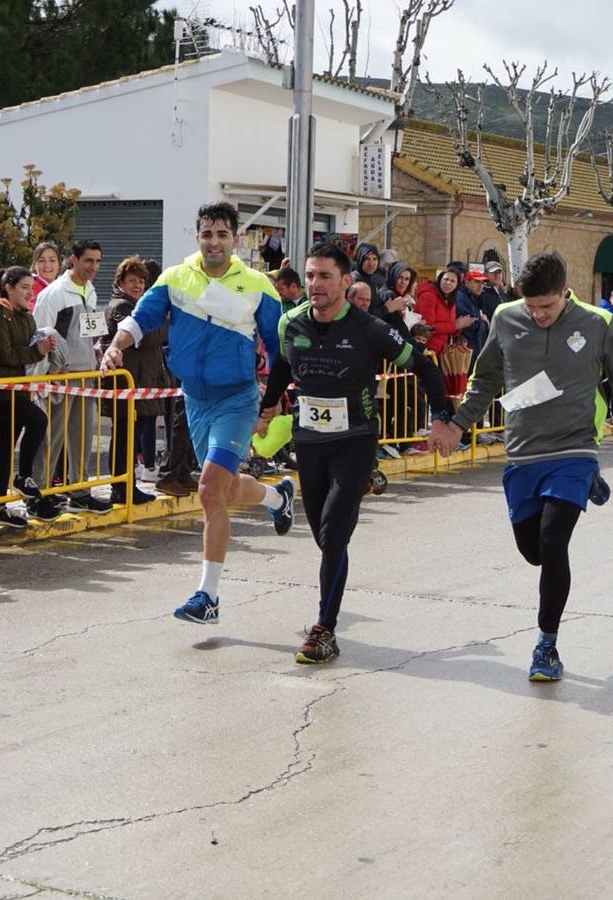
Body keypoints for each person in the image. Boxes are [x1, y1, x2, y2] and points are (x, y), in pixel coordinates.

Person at [428, 251, 613, 681]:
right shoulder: (504, 317)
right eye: (531, 306)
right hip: (523, 453)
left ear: (565, 292)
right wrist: (457, 426)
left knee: (554, 542)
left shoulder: (596, 322)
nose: (538, 314)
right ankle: (586, 485)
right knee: (534, 551)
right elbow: (484, 380)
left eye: (548, 306)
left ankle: (546, 645)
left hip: (574, 449)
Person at [100, 201, 293, 625]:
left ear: (237, 239)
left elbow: (279, 346)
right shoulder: (174, 279)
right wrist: (117, 345)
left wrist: (273, 400)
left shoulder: (258, 285)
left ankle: (207, 596)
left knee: (208, 490)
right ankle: (277, 496)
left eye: (223, 234)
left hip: (237, 399)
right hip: (194, 398)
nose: (215, 242)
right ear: (198, 237)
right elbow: (139, 319)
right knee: (220, 490)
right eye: (208, 234)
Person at [257, 242, 450, 662]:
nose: (315, 284)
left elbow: (425, 365)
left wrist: (440, 416)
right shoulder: (290, 323)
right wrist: (267, 410)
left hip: (355, 440)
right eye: (309, 275)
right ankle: (358, 487)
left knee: (333, 535)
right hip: (309, 442)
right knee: (323, 536)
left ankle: (324, 630)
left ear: (346, 282)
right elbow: (283, 368)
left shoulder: (370, 329)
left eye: (325, 276)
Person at [30, 239, 114, 517]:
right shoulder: (53, 294)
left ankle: (79, 492)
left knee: (82, 437)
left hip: (86, 376)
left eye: (98, 261)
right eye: (89, 260)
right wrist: (45, 376)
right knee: (51, 438)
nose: (94, 266)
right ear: (73, 260)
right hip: (59, 378)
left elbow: (90, 334)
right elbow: (40, 334)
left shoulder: (89, 291)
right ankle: (38, 493)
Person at [0, 266, 54, 525]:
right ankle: (23, 477)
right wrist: (36, 352)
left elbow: (27, 347)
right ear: (8, 288)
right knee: (38, 420)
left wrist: (42, 347)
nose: (28, 293)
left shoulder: (26, 316)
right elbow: (3, 354)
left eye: (31, 289)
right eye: (23, 288)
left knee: (5, 445)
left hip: (18, 386)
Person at [100, 255, 166, 505]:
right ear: (120, 281)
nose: (137, 286)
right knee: (124, 437)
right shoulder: (121, 307)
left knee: (132, 437)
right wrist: (160, 325)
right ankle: (121, 487)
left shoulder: (139, 307)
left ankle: (128, 485)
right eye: (132, 281)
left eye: (141, 281)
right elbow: (148, 337)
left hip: (141, 381)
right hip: (126, 383)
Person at [415, 268, 468, 356]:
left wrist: (459, 326)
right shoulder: (429, 296)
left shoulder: (450, 301)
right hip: (426, 350)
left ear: (457, 285)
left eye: (452, 281)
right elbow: (427, 328)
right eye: (446, 279)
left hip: (441, 351)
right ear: (439, 280)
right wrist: (455, 325)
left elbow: (450, 330)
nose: (448, 283)